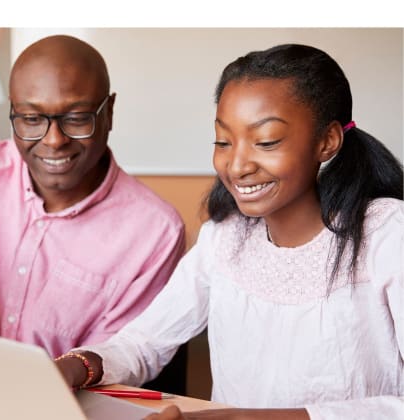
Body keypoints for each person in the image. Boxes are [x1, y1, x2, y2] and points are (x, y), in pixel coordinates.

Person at [54, 44, 404, 419]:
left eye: (266, 142)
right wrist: (79, 365)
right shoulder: (225, 238)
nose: (236, 166)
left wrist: (241, 418)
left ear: (327, 141)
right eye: (223, 141)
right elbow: (143, 343)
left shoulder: (386, 234)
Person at [0, 35, 186, 359]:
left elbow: (115, 362)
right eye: (32, 119)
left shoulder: (156, 232)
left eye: (77, 118)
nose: (53, 140)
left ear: (108, 113)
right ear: (13, 111)